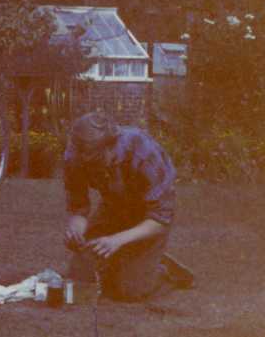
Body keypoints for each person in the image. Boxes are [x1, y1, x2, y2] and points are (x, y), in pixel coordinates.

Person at [63, 111, 193, 302]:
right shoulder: (75, 156)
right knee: (79, 276)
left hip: (148, 215)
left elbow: (160, 219)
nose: (91, 165)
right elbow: (78, 206)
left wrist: (116, 240)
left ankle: (165, 271)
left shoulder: (144, 151)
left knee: (131, 290)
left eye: (96, 160)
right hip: (113, 206)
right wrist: (76, 228)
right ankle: (132, 261)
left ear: (111, 146)